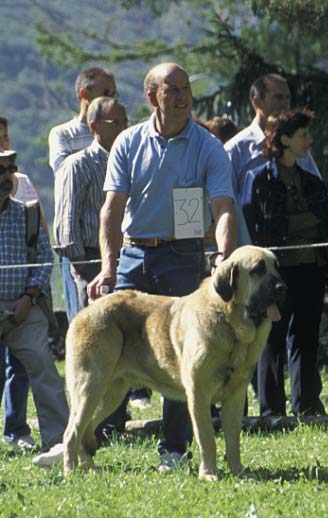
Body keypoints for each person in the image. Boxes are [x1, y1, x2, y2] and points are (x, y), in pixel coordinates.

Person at [87, 62, 237, 473]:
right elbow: (111, 211)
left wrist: (223, 257)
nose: (183, 96)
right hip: (134, 254)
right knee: (112, 347)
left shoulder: (209, 147)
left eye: (186, 88)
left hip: (183, 256)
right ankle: (95, 439)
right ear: (152, 96)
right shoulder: (129, 142)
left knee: (182, 354)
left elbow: (223, 208)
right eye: (172, 89)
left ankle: (174, 449)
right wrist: (108, 267)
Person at [241, 109, 328, 416]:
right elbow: (257, 225)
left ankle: (307, 404)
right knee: (271, 337)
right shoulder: (258, 180)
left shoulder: (311, 182)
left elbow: (323, 225)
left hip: (311, 269)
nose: (308, 140)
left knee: (306, 337)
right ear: (284, 139)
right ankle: (271, 409)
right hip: (276, 273)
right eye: (302, 135)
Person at [0, 148, 69, 457]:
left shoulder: (27, 213)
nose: (7, 177)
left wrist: (29, 297)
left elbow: (44, 259)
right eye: (0, 170)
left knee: (44, 368)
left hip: (24, 312)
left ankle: (61, 442)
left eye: (10, 169)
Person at [48, 67, 117, 323]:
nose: (112, 98)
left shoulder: (117, 132)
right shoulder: (62, 134)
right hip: (81, 243)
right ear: (84, 93)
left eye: (114, 93)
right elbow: (64, 174)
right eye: (106, 92)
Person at [225, 73, 321, 201]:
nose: (285, 104)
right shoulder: (235, 150)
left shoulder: (297, 144)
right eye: (278, 97)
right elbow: (226, 201)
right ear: (257, 101)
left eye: (287, 98)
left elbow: (318, 192)